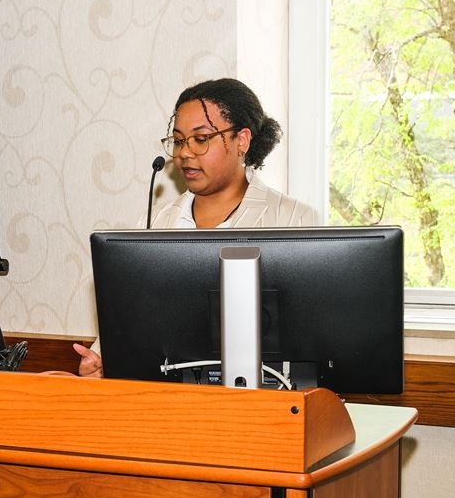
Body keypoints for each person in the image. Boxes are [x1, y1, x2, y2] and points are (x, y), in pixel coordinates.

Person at [74, 77, 319, 378]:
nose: (184, 154)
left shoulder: (293, 219)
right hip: (169, 398)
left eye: (200, 139)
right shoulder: (156, 223)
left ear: (241, 140)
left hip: (263, 399)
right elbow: (132, 323)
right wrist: (101, 362)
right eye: (178, 141)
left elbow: (308, 338)